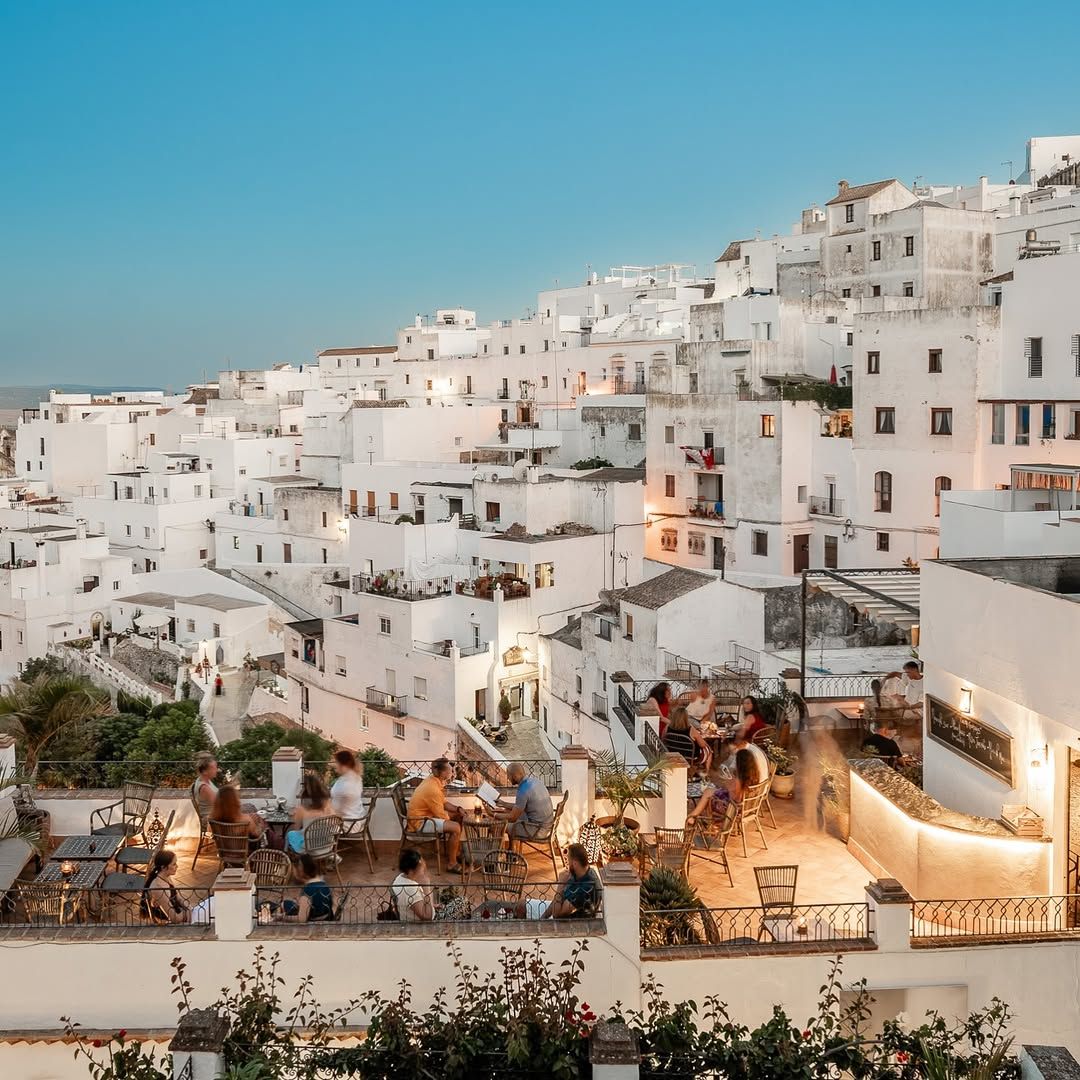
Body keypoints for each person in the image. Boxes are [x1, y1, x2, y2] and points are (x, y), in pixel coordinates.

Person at [407, 758, 470, 873]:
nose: (452, 773)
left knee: (458, 817)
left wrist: (458, 809)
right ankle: (452, 863)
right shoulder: (432, 789)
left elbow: (443, 803)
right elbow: (441, 815)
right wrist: (452, 819)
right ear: (443, 773)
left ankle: (455, 853)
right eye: (451, 771)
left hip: (427, 817)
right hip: (420, 822)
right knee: (456, 828)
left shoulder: (433, 781)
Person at [494, 762, 554, 840]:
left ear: (514, 776)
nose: (508, 778)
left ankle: (498, 851)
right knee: (506, 810)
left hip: (537, 830)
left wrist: (494, 815)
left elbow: (513, 818)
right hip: (547, 826)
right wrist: (503, 804)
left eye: (508, 775)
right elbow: (520, 806)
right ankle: (511, 849)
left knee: (497, 826)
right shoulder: (534, 781)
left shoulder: (523, 790)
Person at [546, 844, 603, 919]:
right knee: (525, 905)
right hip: (558, 906)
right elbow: (559, 899)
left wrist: (561, 885)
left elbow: (556, 915)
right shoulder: (582, 872)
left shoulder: (585, 889)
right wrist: (543, 917)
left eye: (568, 860)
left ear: (575, 863)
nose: (567, 864)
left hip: (569, 924)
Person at [285, 772, 334, 854]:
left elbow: (296, 828)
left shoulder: (302, 809)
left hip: (309, 848)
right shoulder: (328, 806)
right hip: (327, 845)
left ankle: (287, 858)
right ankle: (329, 857)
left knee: (290, 834)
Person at [279, 853, 335, 922]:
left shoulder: (308, 891)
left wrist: (282, 917)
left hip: (313, 924)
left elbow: (301, 919)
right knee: (286, 903)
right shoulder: (324, 884)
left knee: (284, 905)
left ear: (301, 871)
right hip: (326, 918)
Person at [141, 850, 189, 924]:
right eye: (174, 864)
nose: (177, 866)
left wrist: (188, 907)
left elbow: (177, 897)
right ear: (163, 867)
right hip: (167, 922)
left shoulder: (166, 876)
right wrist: (187, 913)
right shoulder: (158, 887)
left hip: (179, 912)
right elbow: (175, 919)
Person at [661, 706, 712, 771]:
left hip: (672, 754)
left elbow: (663, 739)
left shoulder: (667, 727)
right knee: (709, 750)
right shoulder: (691, 729)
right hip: (689, 757)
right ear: (686, 718)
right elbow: (703, 744)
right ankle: (706, 773)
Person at [391, 847, 435, 922]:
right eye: (421, 868)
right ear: (411, 871)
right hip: (421, 925)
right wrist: (427, 888)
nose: (424, 869)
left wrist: (432, 906)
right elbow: (427, 917)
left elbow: (413, 904)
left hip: (417, 911)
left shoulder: (400, 878)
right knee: (459, 903)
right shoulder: (411, 889)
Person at [330, 749, 366, 822]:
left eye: (336, 762)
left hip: (346, 823)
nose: (334, 765)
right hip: (357, 818)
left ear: (342, 764)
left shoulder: (345, 785)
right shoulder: (356, 777)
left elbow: (337, 811)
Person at [191, 754, 219, 818]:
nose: (216, 770)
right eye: (214, 768)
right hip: (213, 820)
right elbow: (219, 805)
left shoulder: (205, 780)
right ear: (204, 771)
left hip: (216, 815)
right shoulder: (204, 787)